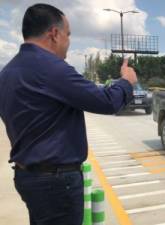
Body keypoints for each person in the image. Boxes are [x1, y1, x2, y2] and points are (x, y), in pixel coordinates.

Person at [0, 4, 137, 225]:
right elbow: (107, 102)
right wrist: (126, 81)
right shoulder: (51, 68)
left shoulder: (8, 72)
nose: (69, 41)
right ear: (54, 34)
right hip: (56, 182)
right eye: (68, 34)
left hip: (28, 176)